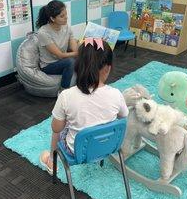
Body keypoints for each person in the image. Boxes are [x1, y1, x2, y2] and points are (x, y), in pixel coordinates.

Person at [39, 38, 129, 173]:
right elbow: (123, 116)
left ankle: (52, 160)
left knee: (58, 129)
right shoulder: (116, 94)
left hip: (77, 151)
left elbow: (56, 127)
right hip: (108, 146)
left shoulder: (66, 96)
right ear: (108, 68)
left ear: (77, 66)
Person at [36, 0, 78, 90]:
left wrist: (83, 49)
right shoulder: (43, 33)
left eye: (66, 14)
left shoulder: (67, 27)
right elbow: (60, 55)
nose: (66, 18)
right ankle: (63, 92)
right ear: (52, 18)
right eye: (62, 16)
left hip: (63, 61)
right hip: (49, 65)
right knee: (70, 62)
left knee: (89, 55)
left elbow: (74, 49)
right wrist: (77, 54)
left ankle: (86, 86)